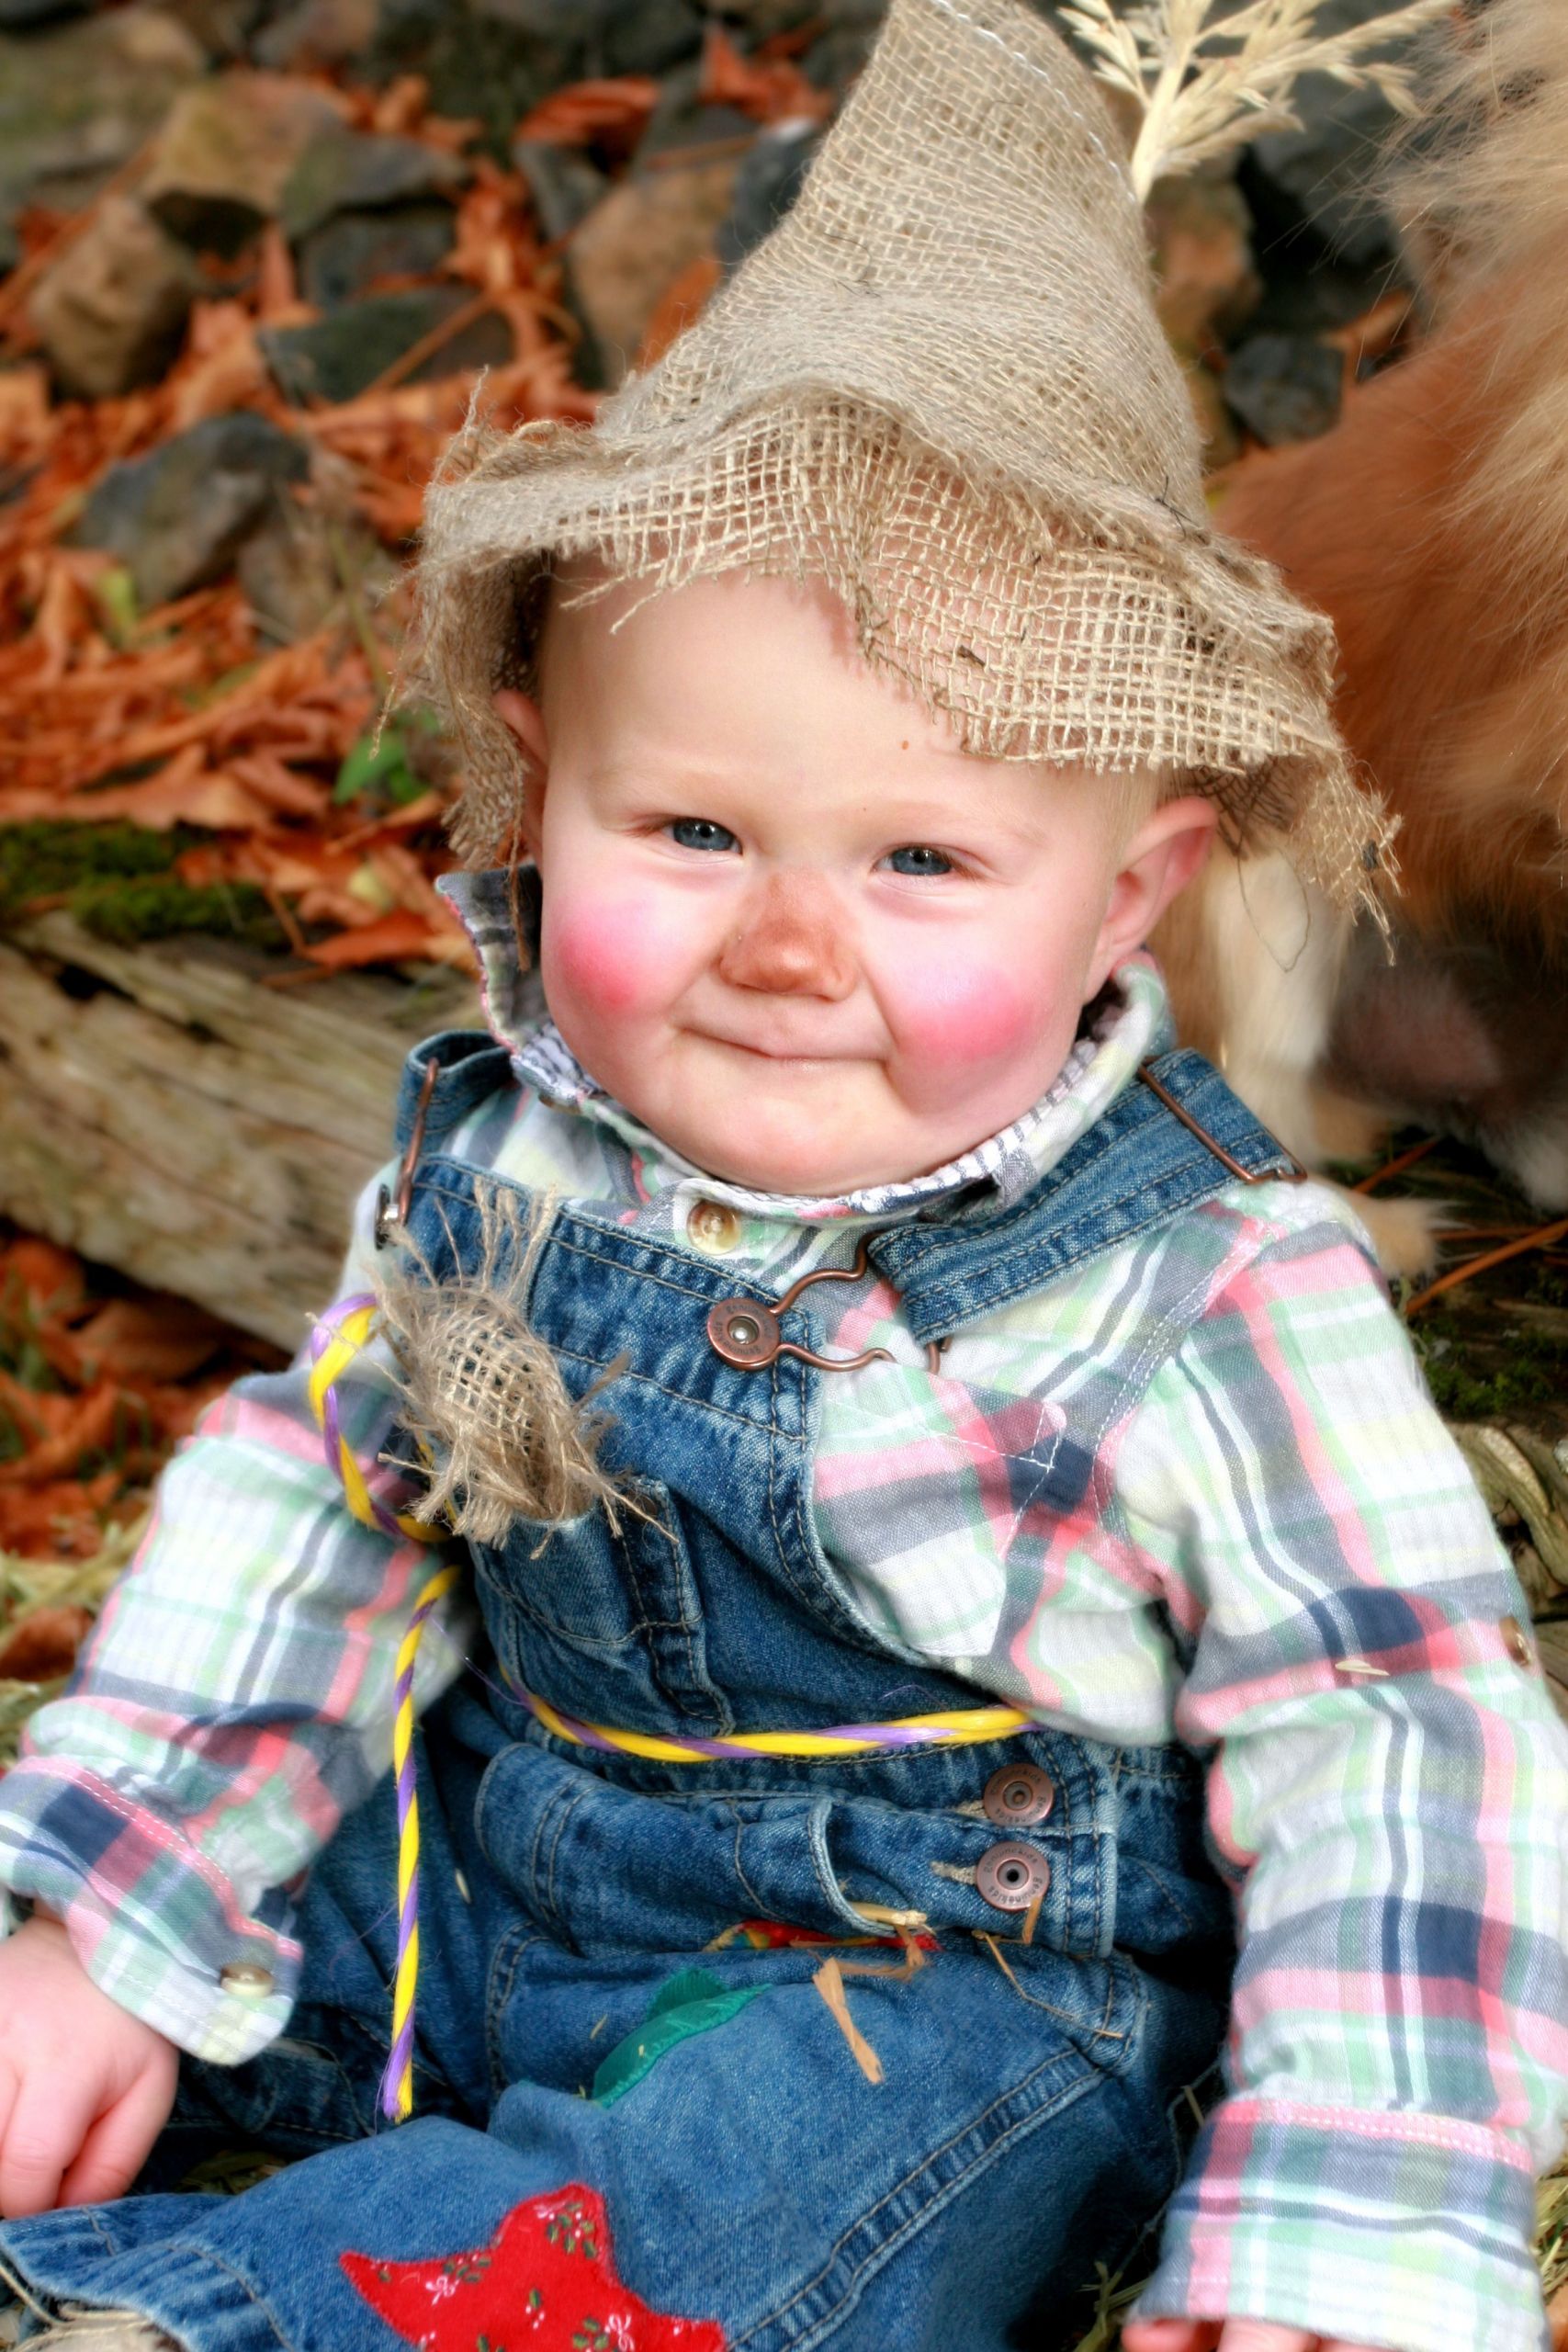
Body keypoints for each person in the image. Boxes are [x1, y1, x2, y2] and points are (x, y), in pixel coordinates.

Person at [0, 6, 1563, 2352]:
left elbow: (1397, 1715)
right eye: (692, 827)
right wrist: (107, 1925)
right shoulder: (504, 1146)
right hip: (474, 1846)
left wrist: (1353, 2202)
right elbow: (330, 1506)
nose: (788, 940)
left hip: (922, 1970)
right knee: (127, 1941)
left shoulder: (1196, 1290)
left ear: (1127, 897)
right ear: (535, 791)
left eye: (923, 857)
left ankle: (218, 2319)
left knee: (740, 2207)